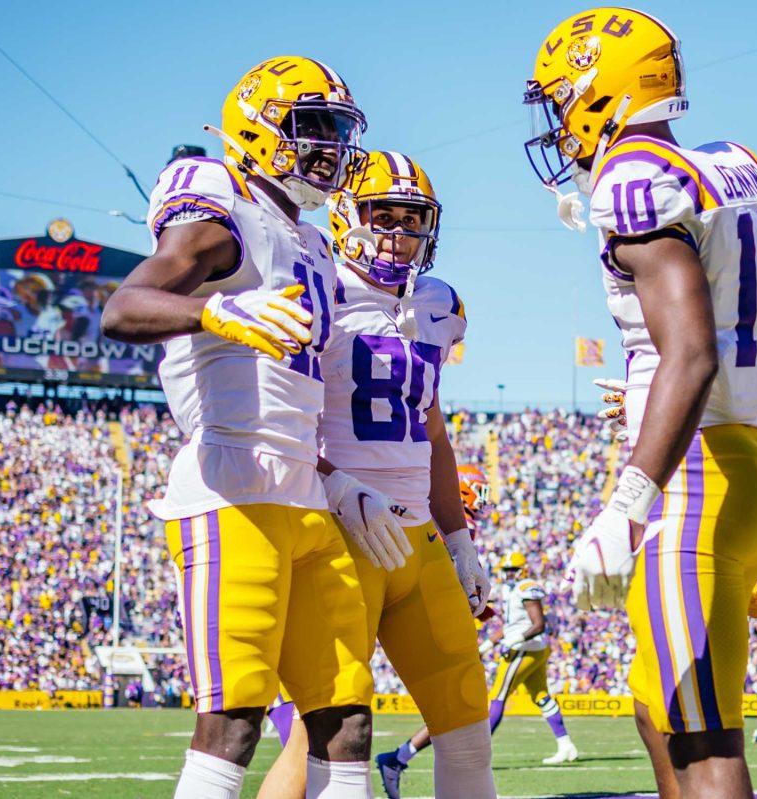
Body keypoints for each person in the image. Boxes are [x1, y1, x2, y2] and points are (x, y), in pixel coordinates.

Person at [523, 9, 757, 796]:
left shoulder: (634, 179)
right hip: (748, 455)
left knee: (703, 737)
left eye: (562, 97)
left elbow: (693, 350)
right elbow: (724, 326)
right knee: (655, 702)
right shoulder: (731, 162)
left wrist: (627, 502)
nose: (559, 118)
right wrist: (647, 383)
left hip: (698, 475)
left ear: (599, 92)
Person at [101, 56, 379, 798]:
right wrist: (217, 310)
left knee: (347, 718)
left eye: (336, 132)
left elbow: (293, 389)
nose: (329, 148)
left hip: (304, 497)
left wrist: (338, 476)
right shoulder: (223, 209)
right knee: (234, 721)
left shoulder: (312, 243)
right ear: (258, 127)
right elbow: (124, 308)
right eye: (311, 128)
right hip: (232, 491)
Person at [258, 153, 496, 799]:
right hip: (342, 533)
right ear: (345, 215)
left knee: (469, 728)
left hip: (417, 539)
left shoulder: (436, 304)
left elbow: (434, 428)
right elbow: (276, 418)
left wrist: (459, 537)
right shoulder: (319, 289)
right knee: (325, 743)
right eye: (381, 216)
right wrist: (335, 482)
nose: (396, 232)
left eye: (410, 219)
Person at [372, 464, 494, 799]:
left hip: (427, 599)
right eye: (479, 491)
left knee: (462, 713)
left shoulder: (459, 525)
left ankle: (398, 758)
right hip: (405, 601)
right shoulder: (438, 517)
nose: (483, 500)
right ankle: (397, 757)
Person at [484, 551, 579, 765]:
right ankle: (566, 745)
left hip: (524, 649)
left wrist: (513, 640)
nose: (508, 574)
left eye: (512, 570)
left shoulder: (526, 587)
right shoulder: (514, 590)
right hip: (532, 648)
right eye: (506, 570)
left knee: (498, 695)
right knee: (541, 696)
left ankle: (477, 752)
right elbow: (511, 626)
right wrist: (488, 644)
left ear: (523, 569)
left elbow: (538, 624)